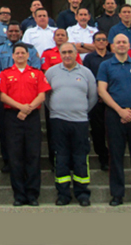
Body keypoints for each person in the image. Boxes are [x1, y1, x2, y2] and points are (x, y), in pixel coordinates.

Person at [0, 43, 51, 206]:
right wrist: (20, 107)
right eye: (17, 53)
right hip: (13, 117)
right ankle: (19, 195)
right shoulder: (5, 74)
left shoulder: (36, 74)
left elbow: (42, 95)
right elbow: (2, 96)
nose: (20, 55)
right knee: (15, 157)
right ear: (12, 56)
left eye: (23, 53)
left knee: (33, 156)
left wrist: (27, 109)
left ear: (28, 56)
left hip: (32, 116)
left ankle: (33, 194)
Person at [45, 43, 97, 207]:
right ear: (60, 54)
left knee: (81, 157)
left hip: (80, 121)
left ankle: (82, 194)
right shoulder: (51, 72)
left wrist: (81, 111)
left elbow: (93, 96)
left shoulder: (86, 73)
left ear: (76, 54)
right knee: (61, 157)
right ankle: (63, 194)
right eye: (64, 52)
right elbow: (46, 97)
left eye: (70, 52)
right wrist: (56, 109)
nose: (67, 55)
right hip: (58, 121)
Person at [0, 21, 41, 173]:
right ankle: (8, 161)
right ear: (6, 33)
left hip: (28, 99)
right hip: (6, 97)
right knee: (6, 132)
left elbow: (36, 70)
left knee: (30, 138)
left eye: (16, 31)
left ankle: (27, 162)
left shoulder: (30, 49)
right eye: (10, 31)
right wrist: (7, 87)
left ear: (20, 33)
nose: (13, 33)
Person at [41, 28, 83, 167]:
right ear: (54, 38)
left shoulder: (73, 52)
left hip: (73, 100)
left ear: (67, 37)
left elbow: (80, 71)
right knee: (53, 133)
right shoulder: (47, 53)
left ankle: (71, 161)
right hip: (54, 98)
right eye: (57, 35)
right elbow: (46, 74)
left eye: (62, 35)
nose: (60, 37)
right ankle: (54, 160)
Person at [97, 33, 131, 206]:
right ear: (113, 46)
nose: (121, 44)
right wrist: (120, 111)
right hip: (114, 115)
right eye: (118, 42)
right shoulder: (106, 65)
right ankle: (117, 195)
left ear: (129, 45)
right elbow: (102, 91)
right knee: (116, 156)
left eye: (124, 42)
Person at [83, 31, 113, 171]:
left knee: (112, 131)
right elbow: (87, 78)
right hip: (96, 99)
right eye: (98, 40)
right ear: (94, 43)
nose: (101, 42)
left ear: (107, 42)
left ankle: (113, 156)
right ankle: (103, 158)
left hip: (112, 99)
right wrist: (97, 94)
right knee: (98, 130)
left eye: (103, 39)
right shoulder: (89, 58)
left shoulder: (112, 57)